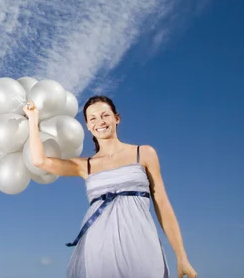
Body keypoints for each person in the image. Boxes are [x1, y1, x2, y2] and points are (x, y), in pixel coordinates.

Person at [23, 95, 197, 278]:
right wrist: (33, 119)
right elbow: (39, 161)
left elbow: (162, 204)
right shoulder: (84, 165)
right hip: (99, 246)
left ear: (117, 118)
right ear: (88, 126)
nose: (100, 122)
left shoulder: (144, 153)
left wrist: (181, 256)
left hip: (142, 241)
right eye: (93, 118)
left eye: (105, 115)